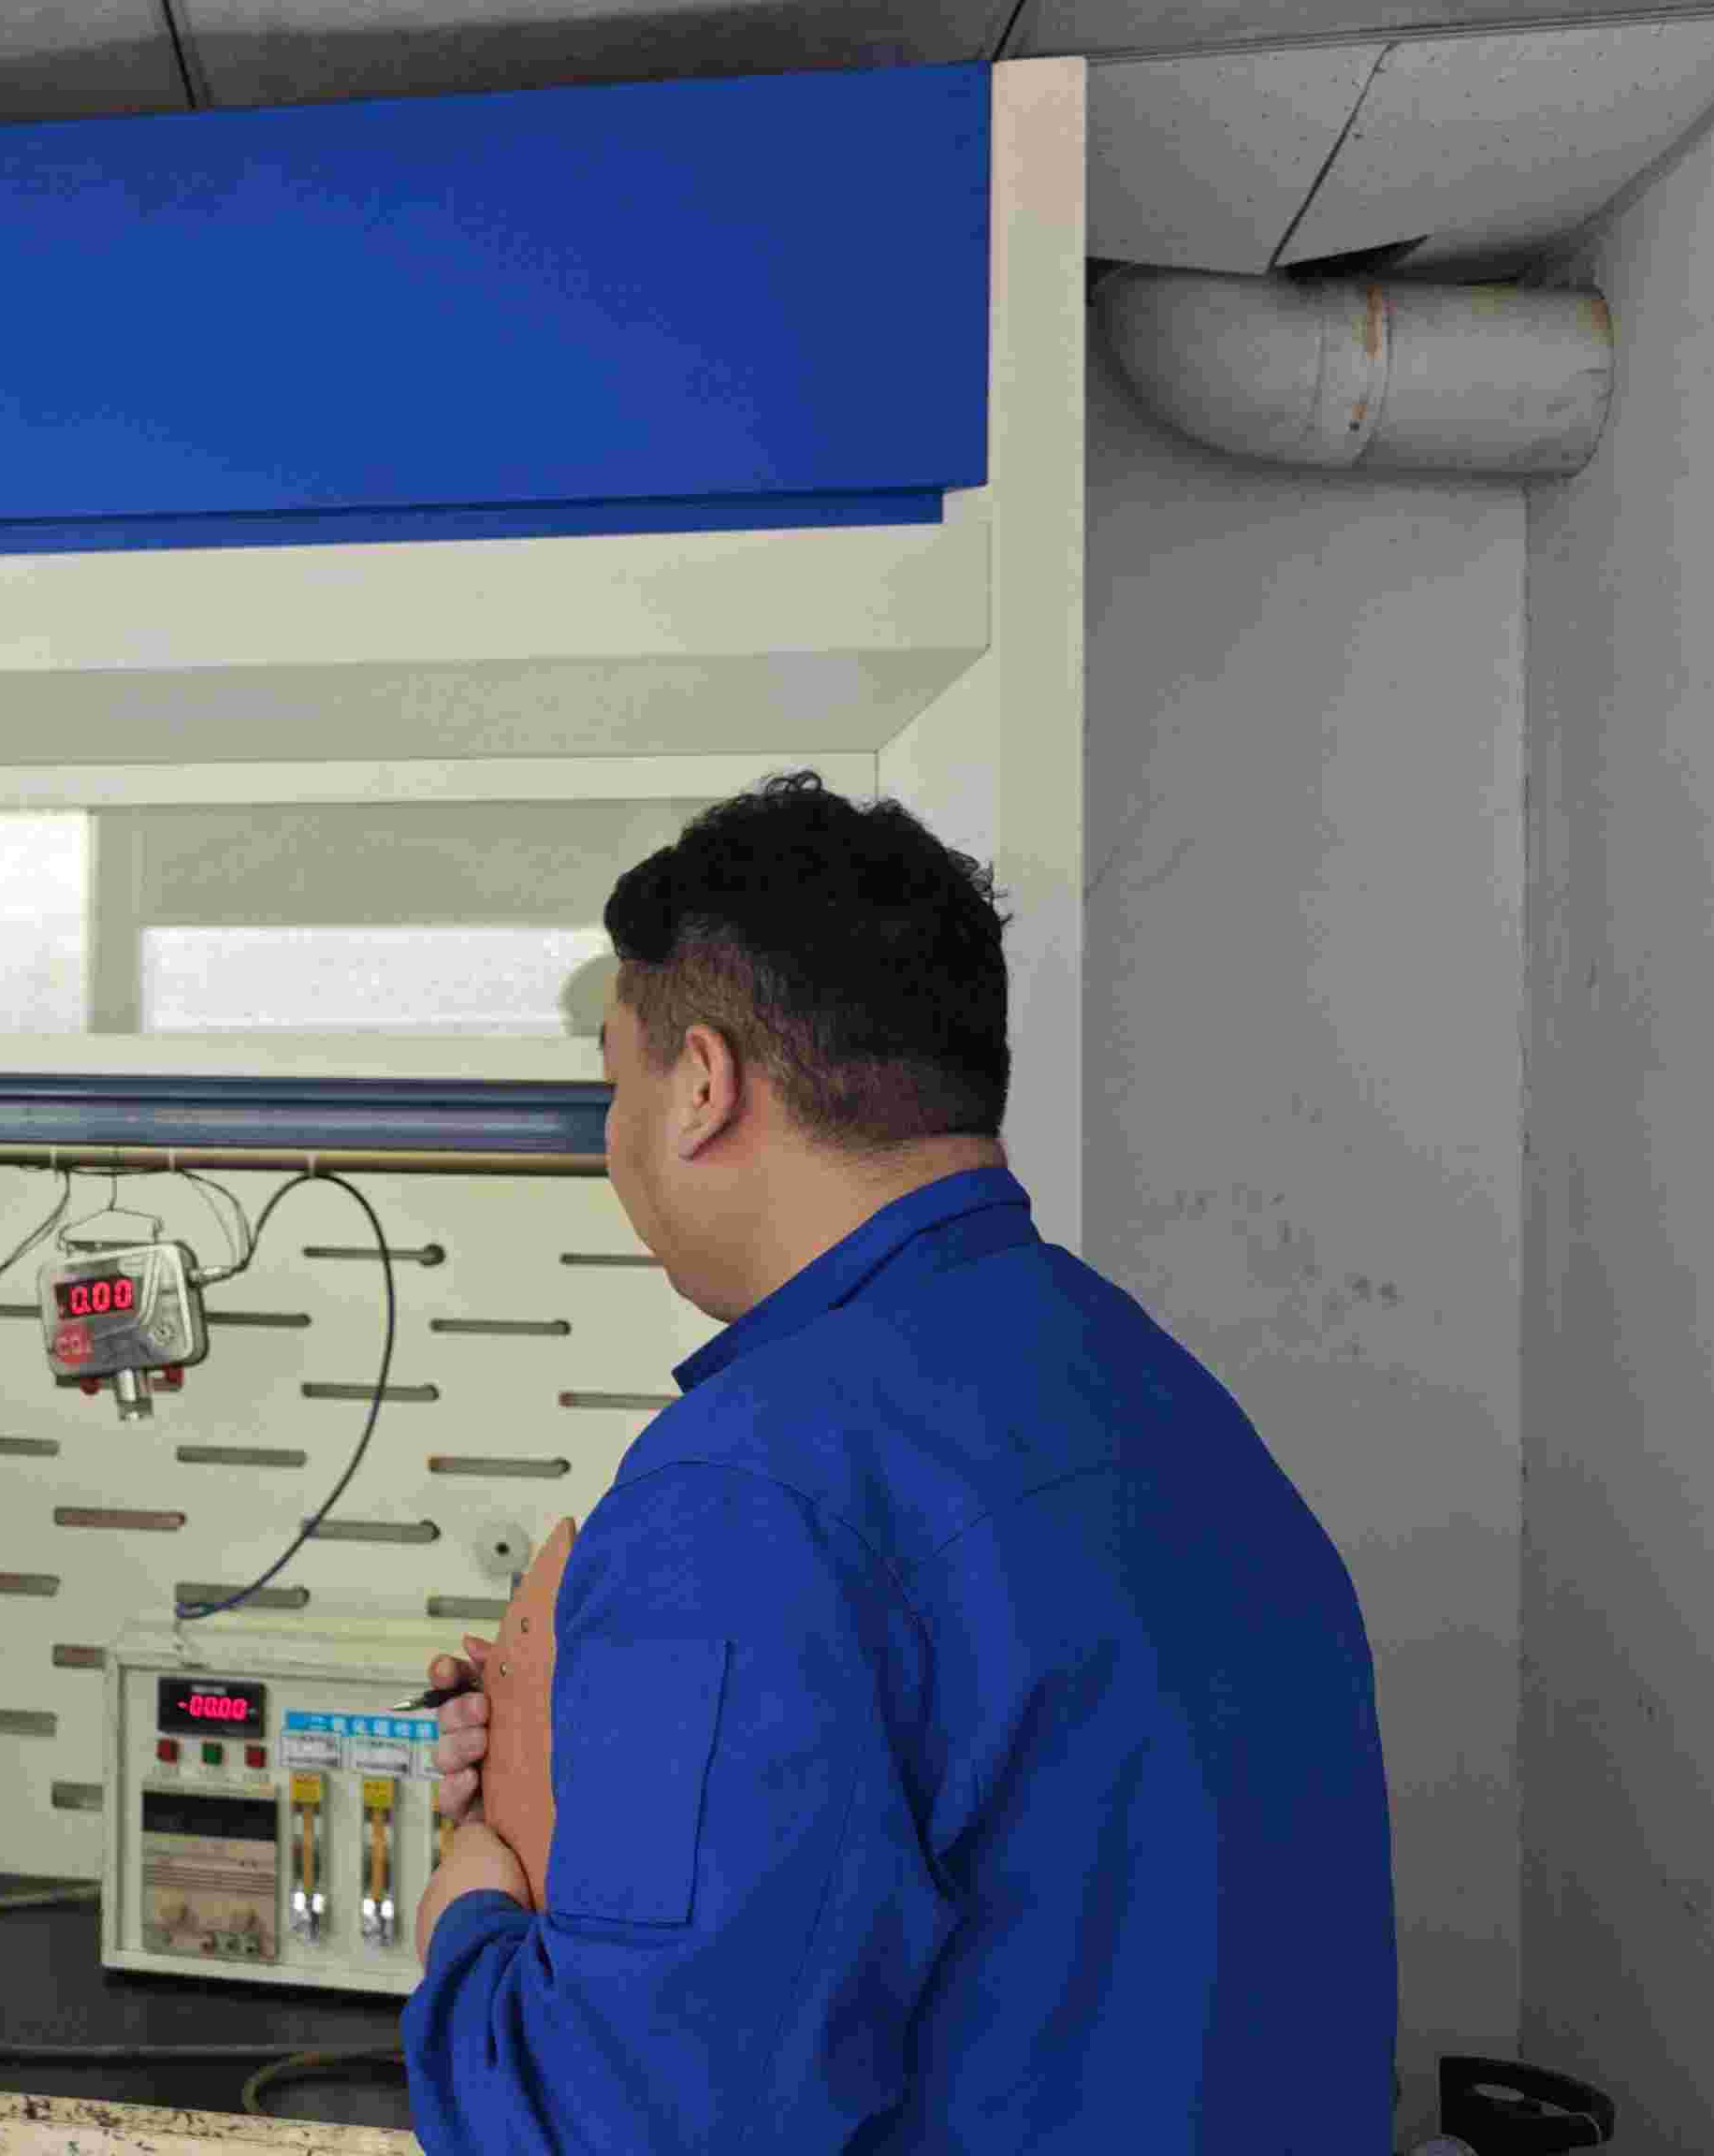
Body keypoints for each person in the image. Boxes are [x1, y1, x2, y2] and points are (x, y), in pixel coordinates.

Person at [401, 772, 1394, 2150]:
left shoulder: (750, 1494)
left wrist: (478, 1901)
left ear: (702, 1088)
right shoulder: (1162, 1399)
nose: (611, 1144)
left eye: (615, 1083)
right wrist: (602, 1792)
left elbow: (610, 2127)